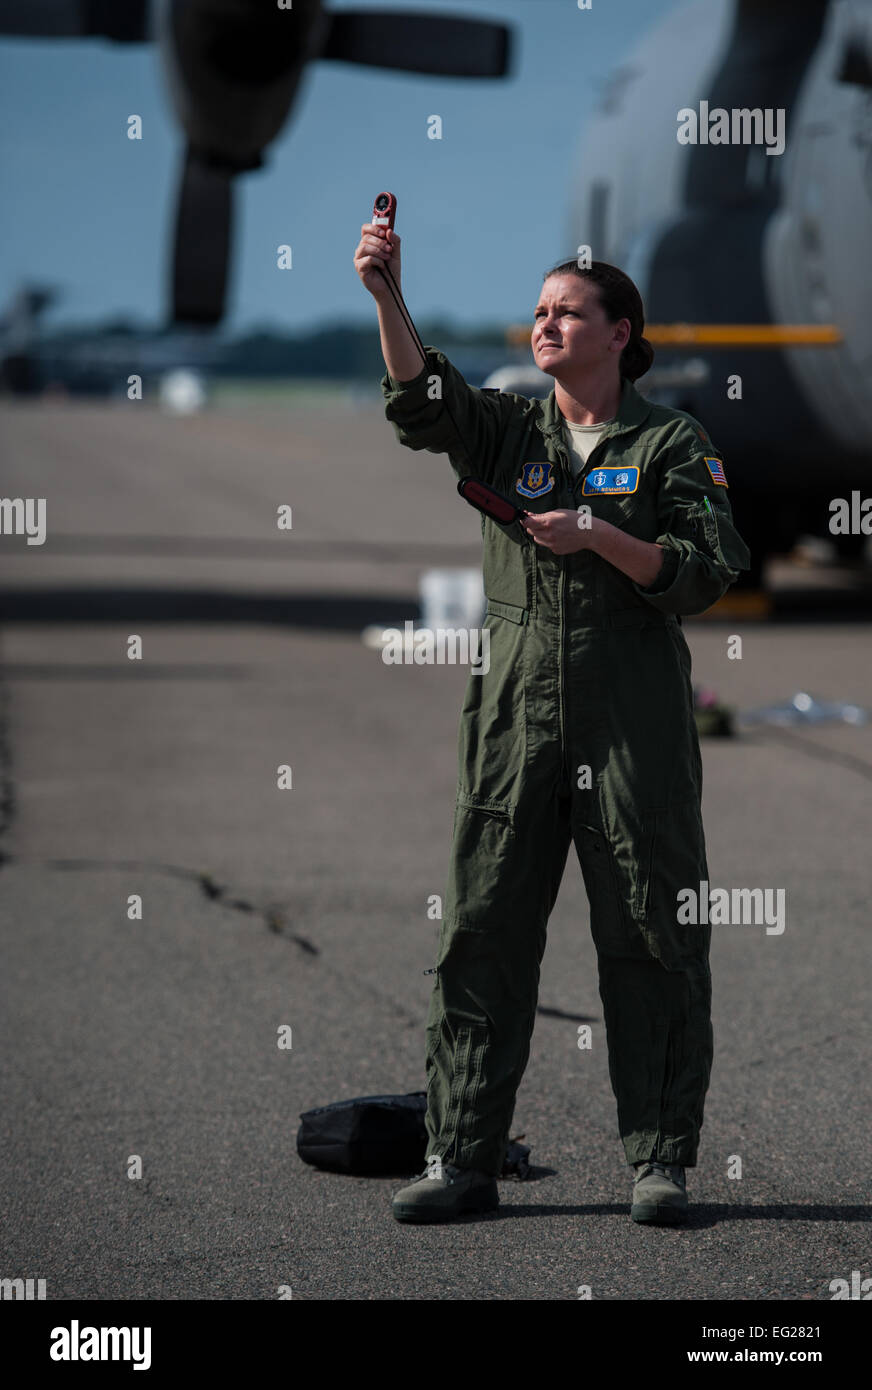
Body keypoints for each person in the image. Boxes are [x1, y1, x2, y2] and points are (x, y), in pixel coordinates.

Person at [353, 219, 751, 1225]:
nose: (545, 324)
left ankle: (658, 1160)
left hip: (632, 729)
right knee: (480, 934)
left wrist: (597, 537)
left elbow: (703, 572)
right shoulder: (511, 431)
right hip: (510, 725)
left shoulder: (670, 442)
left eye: (567, 311)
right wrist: (384, 293)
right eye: (537, 312)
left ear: (620, 333)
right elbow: (420, 401)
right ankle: (460, 1157)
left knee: (653, 936)